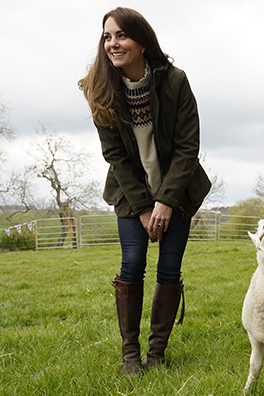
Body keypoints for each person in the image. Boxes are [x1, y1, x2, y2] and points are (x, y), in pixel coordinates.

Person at [78, 7, 211, 376]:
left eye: (120, 35)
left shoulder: (175, 81)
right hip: (130, 192)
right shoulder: (100, 89)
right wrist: (142, 207)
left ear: (140, 40)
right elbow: (115, 156)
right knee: (132, 264)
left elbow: (188, 147)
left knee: (169, 269)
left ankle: (157, 354)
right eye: (107, 36)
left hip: (178, 189)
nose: (112, 43)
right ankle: (131, 358)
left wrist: (166, 201)